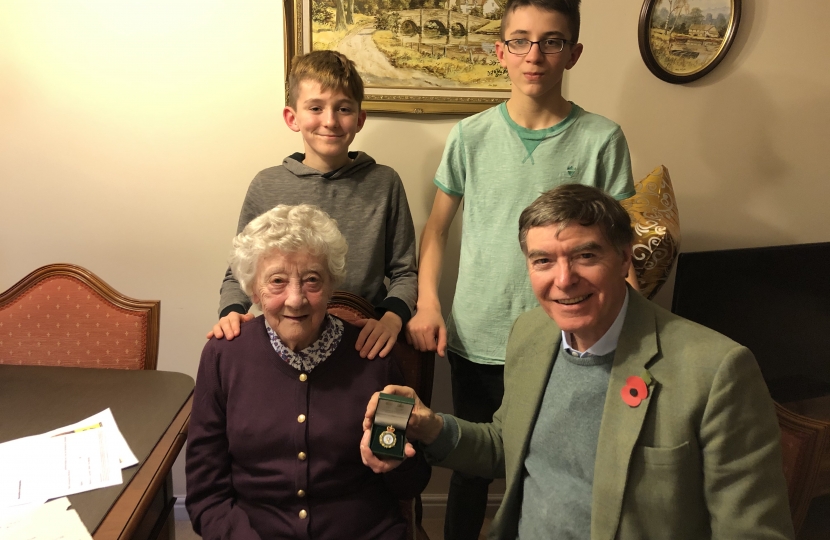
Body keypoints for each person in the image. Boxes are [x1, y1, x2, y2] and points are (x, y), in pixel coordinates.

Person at [365, 184, 794, 540]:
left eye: (586, 256)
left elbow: (753, 532)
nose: (564, 279)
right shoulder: (531, 335)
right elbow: (506, 446)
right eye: (543, 261)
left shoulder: (718, 371)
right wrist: (432, 426)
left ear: (625, 257)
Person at [405, 0, 636, 536]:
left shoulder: (603, 139)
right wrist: (428, 303)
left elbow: (621, 244)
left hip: (568, 338)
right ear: (500, 51)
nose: (535, 55)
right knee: (470, 470)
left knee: (551, 467)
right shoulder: (470, 136)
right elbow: (437, 230)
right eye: (521, 41)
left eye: (552, 41)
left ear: (573, 53)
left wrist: (622, 330)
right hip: (479, 335)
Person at [187, 204, 431, 540]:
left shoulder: (374, 356)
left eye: (312, 280)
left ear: (332, 284)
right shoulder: (223, 356)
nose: (295, 299)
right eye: (277, 281)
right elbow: (206, 495)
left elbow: (410, 484)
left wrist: (398, 461)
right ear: (254, 290)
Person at [209, 50, 417, 360]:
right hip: (284, 336)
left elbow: (405, 272)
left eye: (343, 109)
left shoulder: (384, 183)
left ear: (359, 119)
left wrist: (391, 317)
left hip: (360, 342)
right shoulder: (266, 185)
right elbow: (239, 273)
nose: (330, 121)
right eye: (316, 108)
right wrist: (231, 311)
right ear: (292, 117)